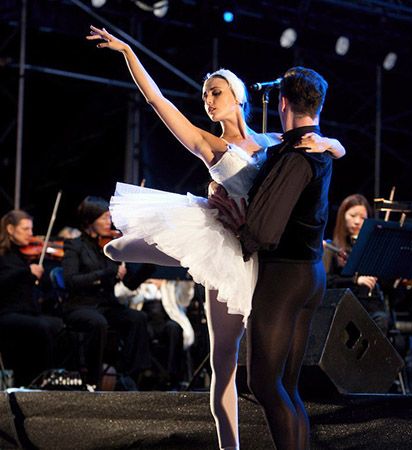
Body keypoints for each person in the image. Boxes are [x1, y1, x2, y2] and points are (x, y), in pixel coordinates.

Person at [87, 25, 345, 450]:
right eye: (206, 93)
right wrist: (129, 52)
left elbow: (316, 143)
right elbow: (158, 101)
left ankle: (121, 251)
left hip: (260, 254)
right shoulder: (208, 144)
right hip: (221, 245)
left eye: (216, 91)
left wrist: (335, 144)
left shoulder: (271, 142)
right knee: (221, 361)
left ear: (240, 96)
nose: (208, 99)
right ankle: (231, 446)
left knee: (259, 370)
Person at [210, 66, 333, 450]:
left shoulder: (296, 155)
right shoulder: (315, 146)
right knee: (288, 388)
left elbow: (265, 229)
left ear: (281, 103)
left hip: (284, 277)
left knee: (263, 383)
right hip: (311, 273)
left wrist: (236, 224)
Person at [62, 196, 153, 388]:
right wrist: (106, 272)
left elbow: (129, 284)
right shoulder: (74, 246)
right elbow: (71, 281)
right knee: (98, 322)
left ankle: (128, 375)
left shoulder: (110, 247)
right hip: (81, 305)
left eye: (109, 217)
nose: (108, 222)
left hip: (106, 305)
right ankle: (93, 378)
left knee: (138, 318)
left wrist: (149, 263)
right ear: (90, 220)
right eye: (104, 218)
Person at [0, 210, 64, 387]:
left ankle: (57, 379)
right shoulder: (3, 255)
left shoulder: (26, 255)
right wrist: (26, 272)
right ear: (10, 229)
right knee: (42, 327)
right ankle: (41, 379)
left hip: (29, 312)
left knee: (60, 325)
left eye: (31, 229)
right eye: (25, 229)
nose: (31, 234)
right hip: (7, 313)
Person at [323, 194, 390, 334]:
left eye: (363, 218)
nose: (357, 222)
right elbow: (327, 280)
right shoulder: (332, 247)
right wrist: (355, 280)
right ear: (343, 217)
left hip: (371, 307)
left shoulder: (371, 248)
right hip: (345, 305)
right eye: (353, 216)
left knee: (381, 320)